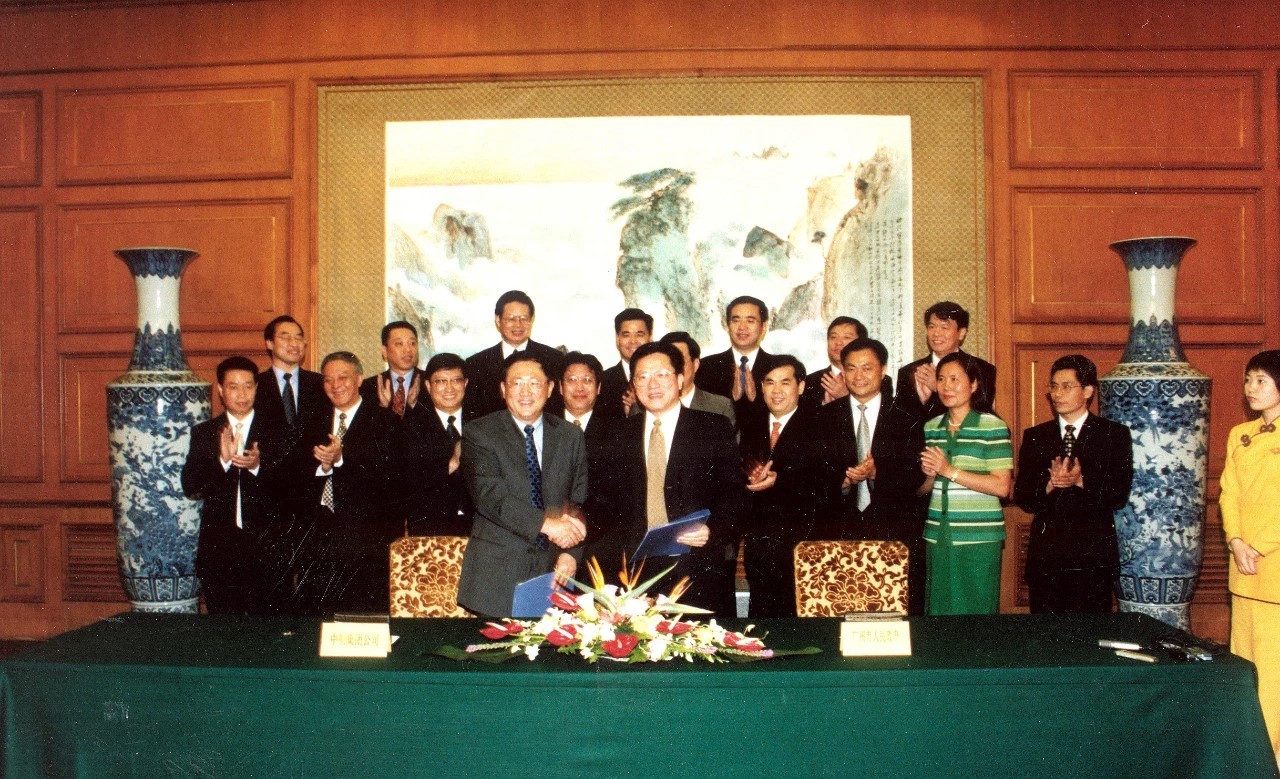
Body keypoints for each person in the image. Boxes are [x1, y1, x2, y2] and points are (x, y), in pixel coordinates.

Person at [597, 342, 746, 615]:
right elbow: (605, 502)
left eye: (661, 375)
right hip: (634, 573)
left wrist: (713, 530)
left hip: (696, 566)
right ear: (633, 385)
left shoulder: (712, 427)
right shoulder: (618, 434)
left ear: (679, 379)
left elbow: (735, 494)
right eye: (643, 377)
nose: (652, 384)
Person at [456, 352, 587, 618]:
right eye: (517, 383)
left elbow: (578, 499)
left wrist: (571, 553)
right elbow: (489, 495)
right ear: (503, 389)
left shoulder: (570, 435)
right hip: (497, 575)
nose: (526, 392)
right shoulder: (479, 433)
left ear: (550, 388)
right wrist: (547, 525)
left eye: (534, 383)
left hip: (554, 573)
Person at [1014, 355, 1132, 614]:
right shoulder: (1035, 436)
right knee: (1047, 633)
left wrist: (1081, 481)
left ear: (1088, 391)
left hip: (1093, 559)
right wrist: (1049, 485)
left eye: (1066, 386)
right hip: (1047, 559)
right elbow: (1022, 496)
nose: (1057, 394)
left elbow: (1119, 494)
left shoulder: (1113, 434)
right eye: (1054, 386)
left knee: (1090, 632)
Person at [820, 338, 927, 614]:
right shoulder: (824, 418)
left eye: (867, 368)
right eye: (851, 368)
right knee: (842, 608)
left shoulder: (907, 416)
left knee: (894, 610)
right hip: (840, 529)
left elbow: (917, 476)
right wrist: (843, 481)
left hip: (893, 529)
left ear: (883, 370)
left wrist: (877, 472)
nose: (859, 376)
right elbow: (813, 475)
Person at [295, 351, 403, 615]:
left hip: (366, 541)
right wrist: (323, 467)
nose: (335, 385)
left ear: (359, 378)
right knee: (318, 618)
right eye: (328, 380)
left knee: (363, 617)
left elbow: (390, 478)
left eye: (342, 377)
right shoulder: (310, 421)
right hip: (319, 538)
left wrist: (342, 458)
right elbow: (295, 478)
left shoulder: (385, 421)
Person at [181, 356, 284, 615]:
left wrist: (258, 466)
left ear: (257, 388)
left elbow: (292, 487)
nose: (242, 394)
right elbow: (190, 485)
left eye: (248, 386)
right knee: (224, 630)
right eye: (233, 386)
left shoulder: (278, 431)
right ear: (220, 390)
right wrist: (222, 462)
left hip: (267, 551)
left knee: (267, 629)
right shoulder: (205, 432)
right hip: (220, 552)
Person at [918, 351, 1012, 615]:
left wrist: (949, 470)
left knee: (975, 616)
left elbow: (1002, 487)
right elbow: (925, 490)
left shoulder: (992, 426)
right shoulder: (931, 427)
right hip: (938, 535)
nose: (946, 386)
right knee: (939, 614)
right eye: (941, 379)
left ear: (973, 385)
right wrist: (930, 475)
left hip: (979, 538)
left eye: (955, 379)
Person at [1220, 349, 1280, 759]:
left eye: (1261, 380)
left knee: (1274, 672)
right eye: (1248, 379)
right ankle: (1250, 753)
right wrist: (1237, 540)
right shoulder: (1240, 434)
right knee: (1245, 666)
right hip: (1243, 570)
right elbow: (1229, 493)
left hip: (1273, 567)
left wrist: (1260, 545)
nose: (1251, 388)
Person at [739, 355, 830, 617]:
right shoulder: (751, 424)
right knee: (763, 618)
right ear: (761, 387)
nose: (776, 391)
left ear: (800, 386)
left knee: (801, 618)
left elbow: (829, 481)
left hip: (804, 543)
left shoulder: (822, 425)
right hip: (760, 543)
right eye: (769, 383)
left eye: (785, 382)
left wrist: (781, 480)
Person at [559, 352, 625, 571]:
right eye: (571, 380)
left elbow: (613, 496)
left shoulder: (619, 432)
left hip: (598, 543)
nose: (579, 387)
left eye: (587, 380)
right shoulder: (544, 427)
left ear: (598, 388)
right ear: (560, 387)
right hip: (549, 539)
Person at [400, 352, 475, 536]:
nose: (449, 388)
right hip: (431, 529)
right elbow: (408, 481)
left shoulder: (482, 422)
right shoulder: (410, 426)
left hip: (480, 528)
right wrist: (452, 463)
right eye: (441, 381)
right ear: (428, 386)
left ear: (465, 384)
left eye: (456, 380)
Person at [464, 290, 564, 418]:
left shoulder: (554, 359)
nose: (518, 325)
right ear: (498, 320)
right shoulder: (476, 364)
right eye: (511, 319)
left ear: (531, 320)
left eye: (524, 318)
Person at [895, 301, 996, 425]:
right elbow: (902, 424)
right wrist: (922, 401)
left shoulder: (983, 369)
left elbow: (981, 415)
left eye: (944, 327)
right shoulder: (909, 372)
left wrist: (938, 388)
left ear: (961, 333)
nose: (936, 333)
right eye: (931, 326)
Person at [695, 295, 778, 429]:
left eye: (750, 321)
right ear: (728, 325)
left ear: (763, 327)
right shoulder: (705, 367)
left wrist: (755, 399)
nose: (742, 327)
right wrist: (731, 398)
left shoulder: (778, 367)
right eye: (736, 320)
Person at [659, 331, 736, 428]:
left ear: (695, 365)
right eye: (668, 362)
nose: (674, 368)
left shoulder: (720, 407)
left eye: (680, 361)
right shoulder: (648, 406)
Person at [800, 316, 868, 410]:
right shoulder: (809, 382)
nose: (838, 342)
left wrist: (845, 397)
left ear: (861, 344)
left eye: (846, 337)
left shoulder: (877, 381)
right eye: (833, 337)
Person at [358, 320, 423, 418]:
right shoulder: (367, 387)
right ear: (384, 351)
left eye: (412, 343)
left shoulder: (430, 383)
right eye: (399, 343)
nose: (408, 349)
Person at [599, 308, 652, 419]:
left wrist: (640, 406)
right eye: (626, 335)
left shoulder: (663, 378)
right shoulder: (602, 381)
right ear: (617, 339)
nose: (633, 341)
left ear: (650, 337)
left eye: (639, 334)